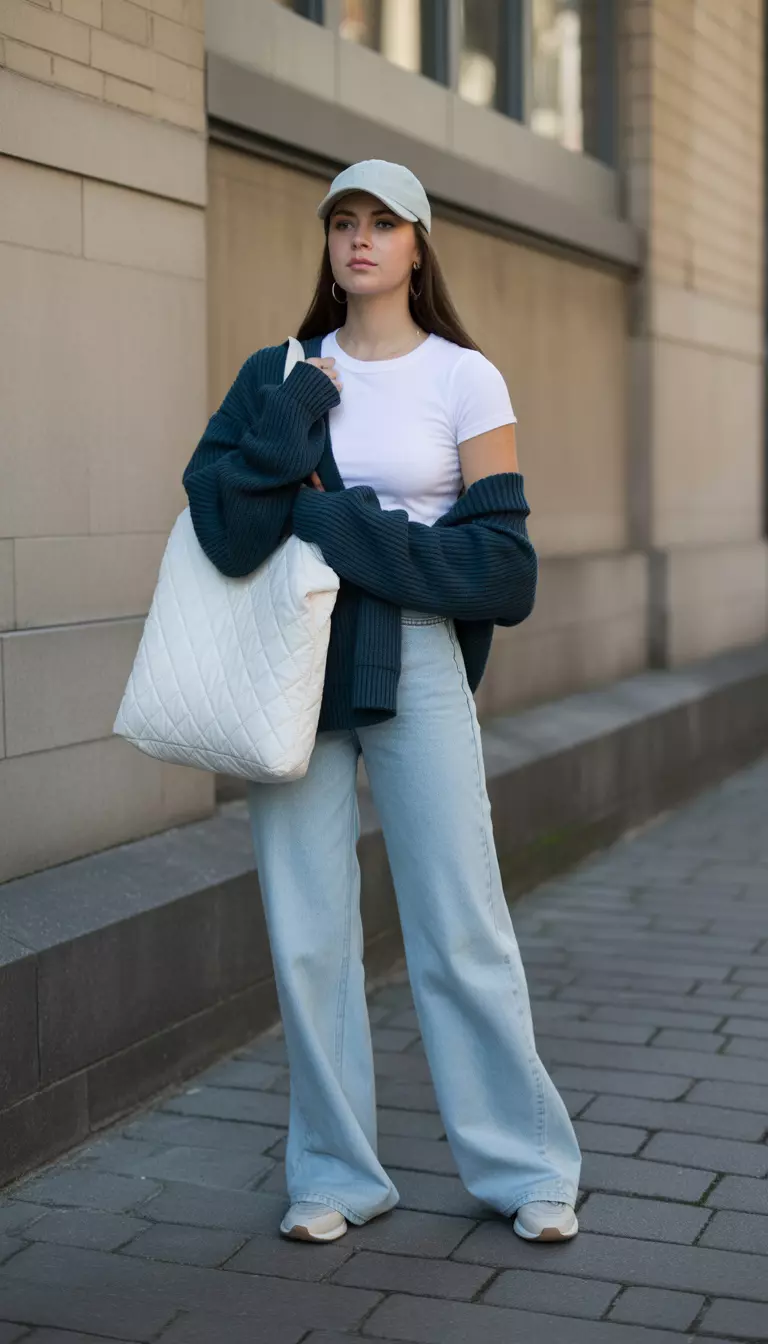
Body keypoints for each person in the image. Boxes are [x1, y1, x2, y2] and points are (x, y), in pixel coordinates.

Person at [183, 160, 582, 1245]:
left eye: (383, 224)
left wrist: (333, 523)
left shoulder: (467, 378)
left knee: (460, 925)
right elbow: (223, 525)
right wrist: (304, 406)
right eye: (342, 222)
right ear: (328, 242)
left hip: (411, 656)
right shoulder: (281, 372)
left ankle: (528, 1170)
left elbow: (504, 570)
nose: (360, 240)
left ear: (418, 246)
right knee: (308, 933)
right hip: (292, 660)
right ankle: (334, 1176)